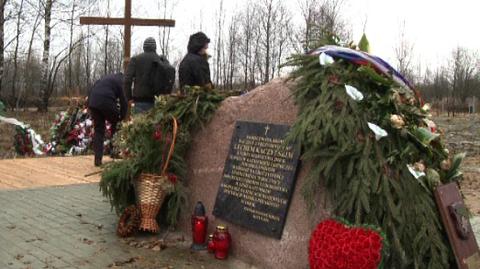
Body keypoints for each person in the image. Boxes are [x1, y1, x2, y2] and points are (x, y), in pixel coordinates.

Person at [124, 37, 174, 113]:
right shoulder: (161, 60)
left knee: (139, 124)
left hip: (139, 102)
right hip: (157, 102)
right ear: (155, 48)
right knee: (154, 125)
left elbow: (127, 80)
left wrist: (129, 98)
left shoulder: (136, 59)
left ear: (144, 47)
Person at [88, 72, 127, 166]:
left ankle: (97, 159)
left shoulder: (107, 78)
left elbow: (92, 89)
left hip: (93, 101)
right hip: (106, 100)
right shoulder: (123, 81)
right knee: (116, 123)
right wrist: (122, 117)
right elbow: (124, 101)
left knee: (99, 130)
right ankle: (114, 151)